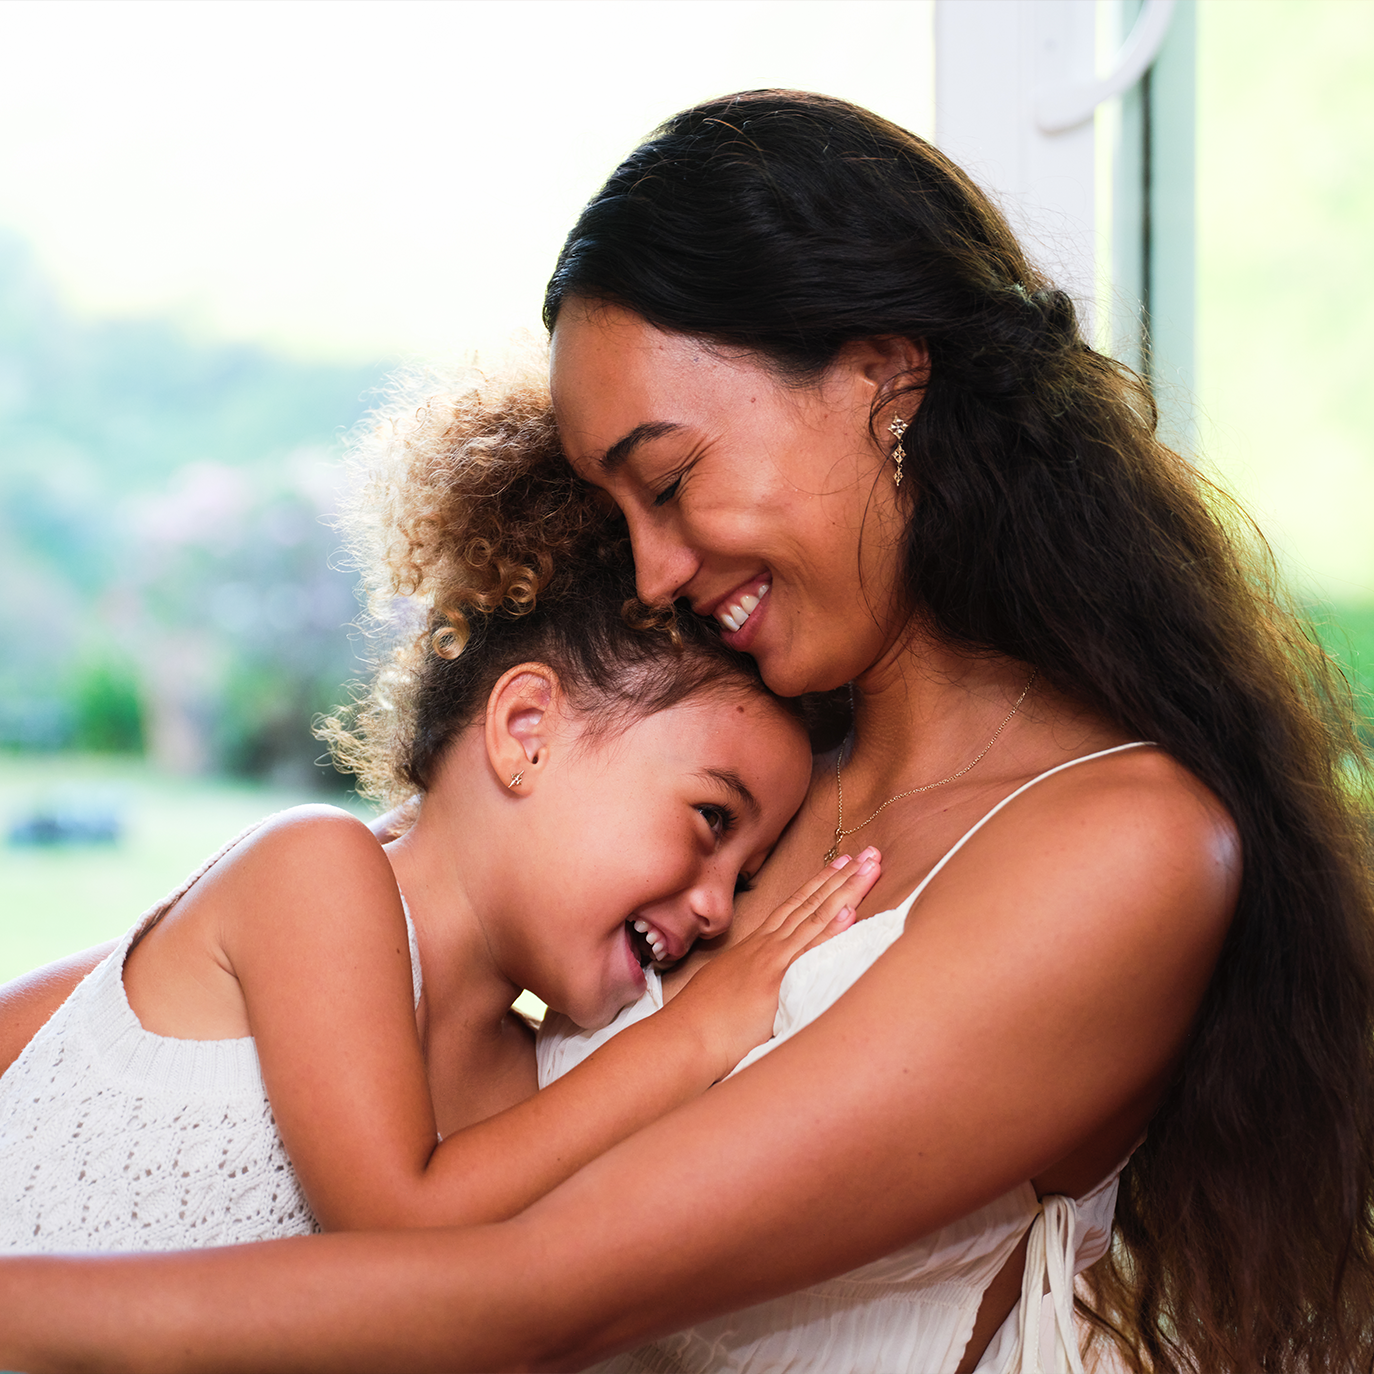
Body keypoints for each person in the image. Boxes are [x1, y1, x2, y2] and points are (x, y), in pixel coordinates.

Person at [0, 88, 1371, 1374]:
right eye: (620, 519)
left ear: (885, 385)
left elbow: (531, 1290)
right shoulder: (741, 773)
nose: (653, 570)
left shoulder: (1117, 846)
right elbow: (165, 1017)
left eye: (668, 479)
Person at [0, 376, 875, 1255]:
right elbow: (396, 1229)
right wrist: (699, 1032)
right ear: (526, 732)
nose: (719, 908)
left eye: (746, 876)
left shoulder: (523, 1081)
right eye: (714, 821)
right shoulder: (317, 868)